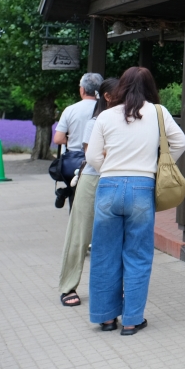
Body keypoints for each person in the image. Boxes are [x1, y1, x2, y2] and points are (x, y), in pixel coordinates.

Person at [85, 67, 185, 335]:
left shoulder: (105, 115)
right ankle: (131, 320)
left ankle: (106, 318)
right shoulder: (158, 112)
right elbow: (181, 143)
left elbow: (93, 156)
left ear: (121, 86)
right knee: (138, 256)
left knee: (104, 254)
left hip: (109, 186)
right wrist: (158, 165)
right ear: (151, 87)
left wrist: (111, 167)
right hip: (143, 186)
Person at [57, 77, 118, 308]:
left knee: (111, 238)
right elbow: (91, 154)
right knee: (79, 235)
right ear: (108, 97)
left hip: (115, 180)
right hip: (93, 178)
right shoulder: (96, 121)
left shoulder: (125, 120)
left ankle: (110, 288)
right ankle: (68, 286)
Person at [54, 73, 104, 209]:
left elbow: (58, 139)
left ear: (82, 90)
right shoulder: (106, 111)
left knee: (75, 200)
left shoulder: (70, 110)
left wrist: (72, 140)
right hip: (99, 161)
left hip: (73, 162)